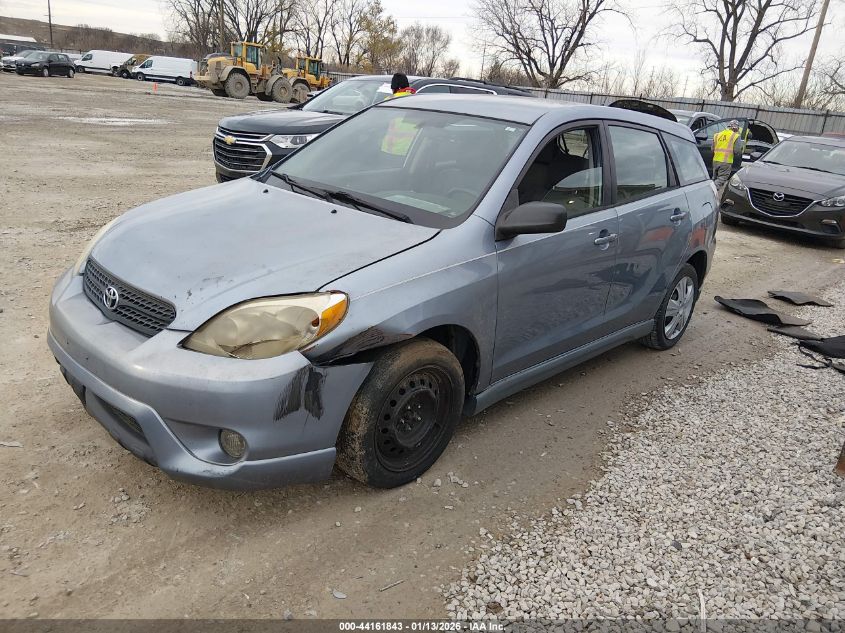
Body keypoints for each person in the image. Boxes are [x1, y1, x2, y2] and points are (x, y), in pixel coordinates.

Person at [712, 120, 742, 190]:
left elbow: (712, 149)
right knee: (721, 179)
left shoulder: (717, 135)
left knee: (714, 179)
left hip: (715, 160)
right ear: (736, 128)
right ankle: (710, 191)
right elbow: (737, 151)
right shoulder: (736, 136)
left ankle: (712, 190)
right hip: (726, 161)